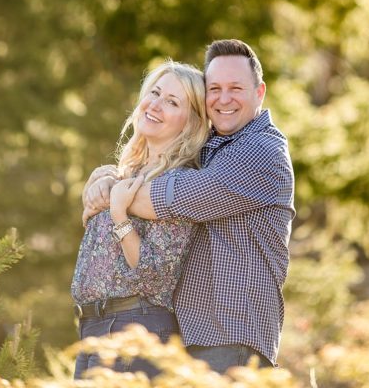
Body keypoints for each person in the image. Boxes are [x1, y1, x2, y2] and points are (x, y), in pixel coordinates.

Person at [82, 39, 296, 372]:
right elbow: (160, 158)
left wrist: (111, 195)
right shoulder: (216, 145)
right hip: (196, 337)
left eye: (236, 88)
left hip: (231, 337)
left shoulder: (260, 151)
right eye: (215, 88)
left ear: (259, 92)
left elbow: (177, 196)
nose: (224, 99)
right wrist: (108, 176)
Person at [72, 60, 210, 380]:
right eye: (155, 93)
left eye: (172, 102)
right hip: (95, 327)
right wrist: (102, 180)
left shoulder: (177, 183)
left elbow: (153, 277)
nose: (155, 105)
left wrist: (120, 215)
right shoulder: (130, 173)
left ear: (191, 123)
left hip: (134, 327)